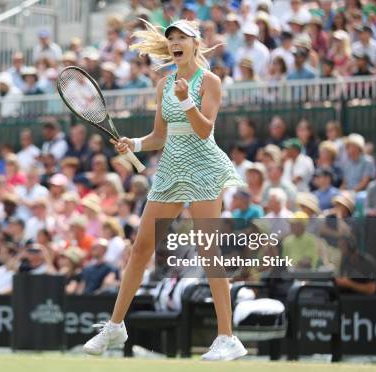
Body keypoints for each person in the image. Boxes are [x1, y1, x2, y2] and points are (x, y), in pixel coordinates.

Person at [83, 20, 247, 361]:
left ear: (195, 43)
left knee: (208, 253)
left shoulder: (210, 81)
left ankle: (228, 338)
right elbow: (159, 136)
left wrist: (188, 101)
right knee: (140, 248)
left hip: (204, 166)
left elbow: (204, 131)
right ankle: (115, 327)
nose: (174, 42)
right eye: (170, 37)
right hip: (171, 167)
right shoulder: (163, 84)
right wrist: (135, 143)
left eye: (181, 37)